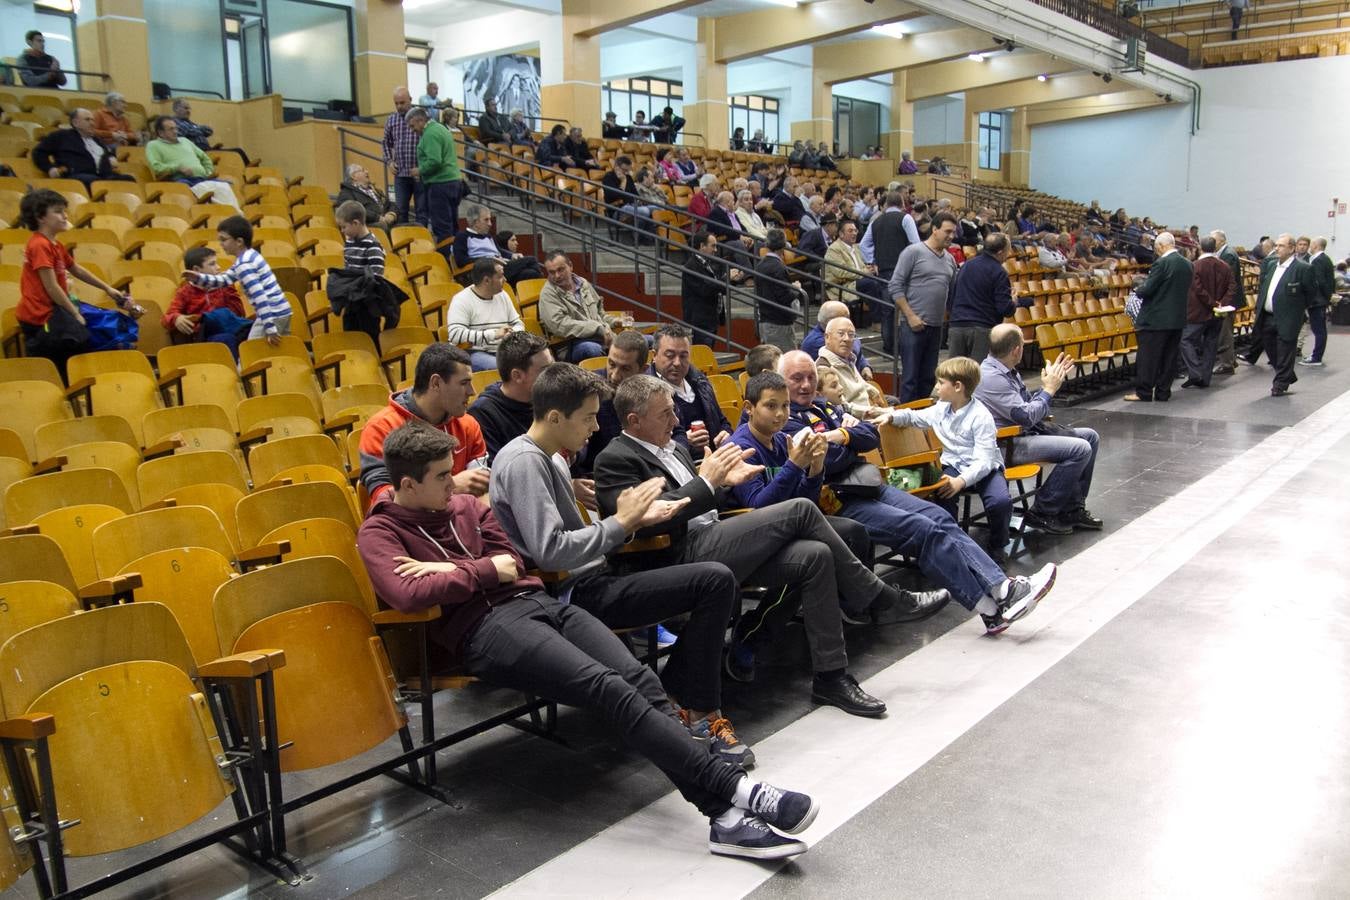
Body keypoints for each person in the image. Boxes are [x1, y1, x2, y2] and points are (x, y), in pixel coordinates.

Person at [358, 422, 814, 859]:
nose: (454, 482)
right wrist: (479, 571)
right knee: (607, 687)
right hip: (483, 629)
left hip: (538, 604)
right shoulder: (380, 532)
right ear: (407, 484)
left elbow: (512, 561)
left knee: (642, 681)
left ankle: (726, 820)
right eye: (441, 477)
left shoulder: (464, 507)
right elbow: (407, 592)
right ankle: (738, 791)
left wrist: (450, 572)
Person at [594, 375, 911, 717]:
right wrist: (708, 482)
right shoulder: (615, 459)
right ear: (634, 421)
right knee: (802, 510)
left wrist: (720, 483)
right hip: (675, 556)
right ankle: (877, 596)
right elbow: (640, 521)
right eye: (666, 414)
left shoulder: (677, 448)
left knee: (815, 556)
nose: (676, 420)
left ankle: (831, 677)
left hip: (713, 535)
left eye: (674, 411)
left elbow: (707, 496)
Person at [490, 362, 752, 763]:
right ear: (556, 417)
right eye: (589, 417)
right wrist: (621, 523)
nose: (596, 428)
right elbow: (551, 551)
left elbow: (583, 539)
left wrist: (632, 524)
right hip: (571, 594)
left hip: (596, 576)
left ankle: (682, 691)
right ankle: (699, 711)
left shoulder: (549, 458)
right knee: (713, 580)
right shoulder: (525, 461)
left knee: (715, 580)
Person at [779, 351, 1052, 632]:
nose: (806, 384)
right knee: (924, 529)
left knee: (940, 517)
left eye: (811, 377)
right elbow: (833, 459)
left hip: (867, 484)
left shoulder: (823, 407)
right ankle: (990, 607)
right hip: (837, 501)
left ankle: (1001, 589)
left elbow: (870, 436)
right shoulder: (787, 422)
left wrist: (844, 436)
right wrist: (848, 438)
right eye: (797, 378)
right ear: (781, 382)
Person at [869, 357, 1013, 561]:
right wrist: (891, 416)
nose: (936, 387)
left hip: (984, 469)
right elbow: (914, 417)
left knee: (1000, 502)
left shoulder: (981, 416)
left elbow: (984, 461)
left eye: (940, 382)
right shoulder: (941, 408)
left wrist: (960, 481)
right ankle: (952, 546)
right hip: (953, 465)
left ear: (957, 386)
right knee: (942, 495)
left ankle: (998, 544)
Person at [976, 325, 1102, 535]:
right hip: (1007, 444)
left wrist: (1049, 384)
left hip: (1024, 433)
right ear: (1017, 350)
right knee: (1080, 449)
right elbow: (1025, 417)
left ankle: (1072, 510)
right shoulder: (991, 377)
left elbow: (1029, 409)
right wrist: (1049, 390)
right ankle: (1043, 512)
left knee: (1090, 436)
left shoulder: (1005, 370)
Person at [16, 189, 136, 376]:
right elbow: (51, 286)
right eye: (57, 211)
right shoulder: (39, 244)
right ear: (40, 217)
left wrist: (108, 288)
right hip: (40, 318)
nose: (65, 216)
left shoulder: (55, 244)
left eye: (64, 211)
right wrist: (74, 314)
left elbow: (76, 270)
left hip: (54, 313)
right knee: (63, 364)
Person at [359, 343, 490, 504]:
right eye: (464, 383)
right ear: (436, 383)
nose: (472, 391)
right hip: (405, 527)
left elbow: (481, 493)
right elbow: (384, 500)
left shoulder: (468, 424)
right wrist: (451, 486)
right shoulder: (381, 428)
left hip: (461, 522)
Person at [183, 215, 289, 345]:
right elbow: (224, 279)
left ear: (239, 241)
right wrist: (198, 278)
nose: (221, 244)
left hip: (272, 314)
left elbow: (260, 296)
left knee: (251, 351)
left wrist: (270, 327)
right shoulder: (248, 257)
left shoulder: (244, 265)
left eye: (224, 240)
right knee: (280, 349)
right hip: (281, 311)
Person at [889, 212, 959, 402]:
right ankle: (906, 423)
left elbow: (952, 290)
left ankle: (920, 421)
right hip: (913, 325)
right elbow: (895, 285)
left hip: (936, 326)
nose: (951, 236)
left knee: (928, 378)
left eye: (953, 232)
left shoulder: (949, 259)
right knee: (910, 378)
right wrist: (910, 316)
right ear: (934, 229)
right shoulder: (913, 252)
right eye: (947, 231)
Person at [1124, 231, 1191, 403]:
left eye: (1156, 248)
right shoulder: (1187, 264)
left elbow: (1148, 288)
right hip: (1177, 319)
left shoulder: (1162, 263)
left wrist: (1138, 289)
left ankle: (1144, 392)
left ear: (1161, 246)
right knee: (1169, 358)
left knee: (1148, 358)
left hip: (1156, 319)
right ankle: (1163, 392)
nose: (1156, 251)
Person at [468, 331, 552, 461]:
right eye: (544, 370)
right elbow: (497, 472)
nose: (552, 375)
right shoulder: (483, 413)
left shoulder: (550, 398)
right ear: (517, 376)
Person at [648, 324, 730, 454]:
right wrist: (685, 442)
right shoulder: (646, 393)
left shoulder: (700, 380)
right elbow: (648, 446)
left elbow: (722, 421)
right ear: (654, 355)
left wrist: (726, 434)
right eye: (670, 355)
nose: (677, 363)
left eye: (683, 356)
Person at [1249, 233, 1315, 397]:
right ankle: (1287, 374)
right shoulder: (1271, 265)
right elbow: (1264, 288)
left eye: (1281, 246)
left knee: (1285, 349)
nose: (1277, 248)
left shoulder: (1302, 268)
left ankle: (1280, 384)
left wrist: (1296, 309)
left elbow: (1310, 293)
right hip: (1268, 315)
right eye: (1276, 245)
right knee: (1271, 350)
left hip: (1289, 317)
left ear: (1292, 248)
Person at [330, 200, 402, 343]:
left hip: (368, 302)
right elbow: (347, 270)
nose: (342, 231)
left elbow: (376, 278)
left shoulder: (373, 246)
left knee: (369, 336)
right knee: (350, 335)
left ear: (356, 223)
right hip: (352, 299)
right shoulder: (349, 243)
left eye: (344, 227)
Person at [948, 234, 1021, 362]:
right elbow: (1004, 308)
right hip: (982, 328)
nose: (1008, 254)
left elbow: (952, 294)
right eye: (1007, 250)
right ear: (1000, 252)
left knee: (953, 373)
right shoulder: (999, 271)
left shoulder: (967, 265)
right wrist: (1013, 302)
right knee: (976, 375)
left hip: (957, 325)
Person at [164, 246, 249, 357]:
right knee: (225, 337)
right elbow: (167, 316)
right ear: (196, 270)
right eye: (212, 264)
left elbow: (239, 313)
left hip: (230, 328)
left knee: (255, 329)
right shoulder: (185, 292)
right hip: (205, 336)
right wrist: (176, 318)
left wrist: (227, 287)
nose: (218, 267)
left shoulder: (223, 287)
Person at [145, 116, 241, 208]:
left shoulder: (185, 141)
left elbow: (205, 158)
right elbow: (156, 167)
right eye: (171, 129)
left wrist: (207, 172)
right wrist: (177, 167)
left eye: (176, 128)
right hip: (181, 181)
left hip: (202, 179)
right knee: (213, 191)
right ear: (161, 133)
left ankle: (234, 215)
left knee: (227, 185)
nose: (175, 132)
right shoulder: (153, 145)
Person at [446, 258, 524, 371]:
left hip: (504, 351)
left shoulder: (503, 295)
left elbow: (517, 323)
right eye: (500, 276)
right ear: (487, 280)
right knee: (506, 369)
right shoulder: (461, 300)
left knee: (535, 363)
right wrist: (493, 334)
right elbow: (455, 334)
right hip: (474, 353)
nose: (505, 280)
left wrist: (513, 333)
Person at [539, 251, 618, 362]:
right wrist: (596, 328)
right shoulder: (548, 293)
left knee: (645, 341)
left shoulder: (583, 283)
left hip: (601, 338)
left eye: (560, 270)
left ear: (570, 266)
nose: (557, 276)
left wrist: (615, 321)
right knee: (591, 349)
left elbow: (600, 314)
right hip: (570, 345)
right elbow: (559, 325)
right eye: (551, 272)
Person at [405, 106, 465, 251]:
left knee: (442, 228)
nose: (412, 130)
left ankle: (445, 263)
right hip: (454, 182)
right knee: (452, 225)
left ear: (420, 120)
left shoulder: (430, 134)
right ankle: (455, 258)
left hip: (440, 185)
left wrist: (419, 170)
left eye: (412, 126)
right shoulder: (441, 128)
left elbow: (435, 161)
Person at [860, 190, 911, 354]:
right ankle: (904, 346)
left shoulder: (876, 221)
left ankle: (888, 347)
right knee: (906, 308)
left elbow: (864, 245)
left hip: (884, 271)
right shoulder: (906, 218)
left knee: (887, 310)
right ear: (902, 204)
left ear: (886, 205)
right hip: (903, 270)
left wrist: (871, 261)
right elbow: (915, 244)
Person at [1181, 236, 1235, 389]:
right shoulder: (1224, 265)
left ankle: (1195, 371)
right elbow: (1232, 287)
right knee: (1211, 344)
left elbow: (1198, 289)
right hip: (1218, 313)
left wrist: (1211, 303)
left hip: (1198, 312)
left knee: (1185, 340)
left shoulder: (1195, 266)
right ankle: (1205, 378)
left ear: (1200, 247)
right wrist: (1221, 303)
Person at [32, 108, 132, 189]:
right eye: (87, 120)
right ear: (75, 123)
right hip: (77, 176)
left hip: (104, 176)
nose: (92, 123)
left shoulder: (97, 140)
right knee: (94, 181)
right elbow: (39, 152)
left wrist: (111, 157)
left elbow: (106, 153)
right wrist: (49, 168)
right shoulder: (61, 136)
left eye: (93, 120)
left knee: (129, 179)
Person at [814, 317, 888, 420]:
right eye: (841, 334)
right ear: (827, 337)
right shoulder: (824, 368)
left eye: (851, 335)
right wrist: (878, 412)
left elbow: (858, 384)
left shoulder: (849, 358)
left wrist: (871, 390)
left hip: (869, 410)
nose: (846, 339)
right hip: (855, 422)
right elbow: (842, 407)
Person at [754, 229, 805, 351]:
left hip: (766, 319)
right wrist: (796, 289)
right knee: (784, 361)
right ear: (783, 245)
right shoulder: (778, 267)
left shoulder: (760, 265)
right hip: (779, 322)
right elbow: (784, 296)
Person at [383, 88, 426, 227]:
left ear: (410, 100)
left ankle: (422, 241)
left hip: (420, 173)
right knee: (400, 211)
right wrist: (389, 161)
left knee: (422, 211)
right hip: (401, 174)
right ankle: (402, 241)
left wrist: (424, 167)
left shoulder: (422, 117)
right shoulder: (391, 120)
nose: (399, 106)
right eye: (396, 103)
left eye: (402, 102)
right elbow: (385, 143)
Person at [682, 229, 730, 347]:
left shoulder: (710, 264)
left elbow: (719, 288)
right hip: (700, 321)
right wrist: (726, 279)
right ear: (702, 246)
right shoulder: (691, 266)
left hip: (711, 318)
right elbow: (705, 290)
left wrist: (731, 280)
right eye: (713, 246)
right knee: (703, 353)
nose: (715, 250)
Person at [801, 300, 872, 377]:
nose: (848, 321)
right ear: (829, 321)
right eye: (844, 318)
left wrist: (865, 366)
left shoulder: (841, 333)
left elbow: (857, 353)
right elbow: (852, 350)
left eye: (848, 317)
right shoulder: (815, 341)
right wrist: (854, 339)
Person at [1210, 229, 1246, 375]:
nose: (1213, 243)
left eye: (1215, 240)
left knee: (1225, 332)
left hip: (1227, 300)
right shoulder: (1224, 254)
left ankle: (1227, 364)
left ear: (1222, 241)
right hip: (1227, 299)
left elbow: (1225, 279)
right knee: (1225, 331)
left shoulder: (1228, 255)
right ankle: (1230, 359)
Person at [171, 99, 248, 166]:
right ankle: (249, 170)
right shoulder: (174, 122)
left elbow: (209, 131)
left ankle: (248, 170)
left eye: (189, 108)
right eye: (185, 108)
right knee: (237, 152)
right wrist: (198, 129)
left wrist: (196, 129)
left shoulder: (190, 123)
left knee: (238, 152)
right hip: (198, 153)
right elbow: (189, 131)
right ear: (176, 109)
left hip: (208, 150)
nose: (188, 111)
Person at [601, 156, 655, 239]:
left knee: (656, 208)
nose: (626, 173)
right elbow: (614, 195)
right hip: (617, 210)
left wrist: (639, 201)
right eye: (624, 170)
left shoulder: (629, 178)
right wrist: (623, 181)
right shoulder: (608, 177)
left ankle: (643, 236)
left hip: (632, 206)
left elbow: (636, 195)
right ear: (616, 167)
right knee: (644, 211)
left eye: (628, 170)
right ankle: (639, 237)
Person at [1301, 236, 1334, 367]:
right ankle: (1316, 355)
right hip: (1320, 300)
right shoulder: (1324, 259)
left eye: (1312, 244)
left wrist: (1326, 297)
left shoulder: (1318, 261)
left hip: (1317, 300)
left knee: (1318, 330)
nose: (1310, 246)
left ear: (1316, 245)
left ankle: (1316, 357)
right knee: (1319, 329)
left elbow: (1320, 281)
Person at [336, 163, 397, 230]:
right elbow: (352, 211)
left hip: (385, 222)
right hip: (367, 225)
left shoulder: (376, 190)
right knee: (383, 226)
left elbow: (390, 204)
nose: (367, 172)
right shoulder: (347, 192)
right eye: (362, 170)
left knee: (406, 225)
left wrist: (392, 214)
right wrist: (377, 218)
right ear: (353, 176)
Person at [452, 204, 502, 270]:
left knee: (519, 262)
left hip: (501, 265)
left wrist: (512, 255)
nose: (490, 224)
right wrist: (487, 260)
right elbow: (461, 261)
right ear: (476, 222)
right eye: (486, 220)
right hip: (484, 270)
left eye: (490, 220)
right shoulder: (462, 236)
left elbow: (500, 251)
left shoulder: (489, 236)